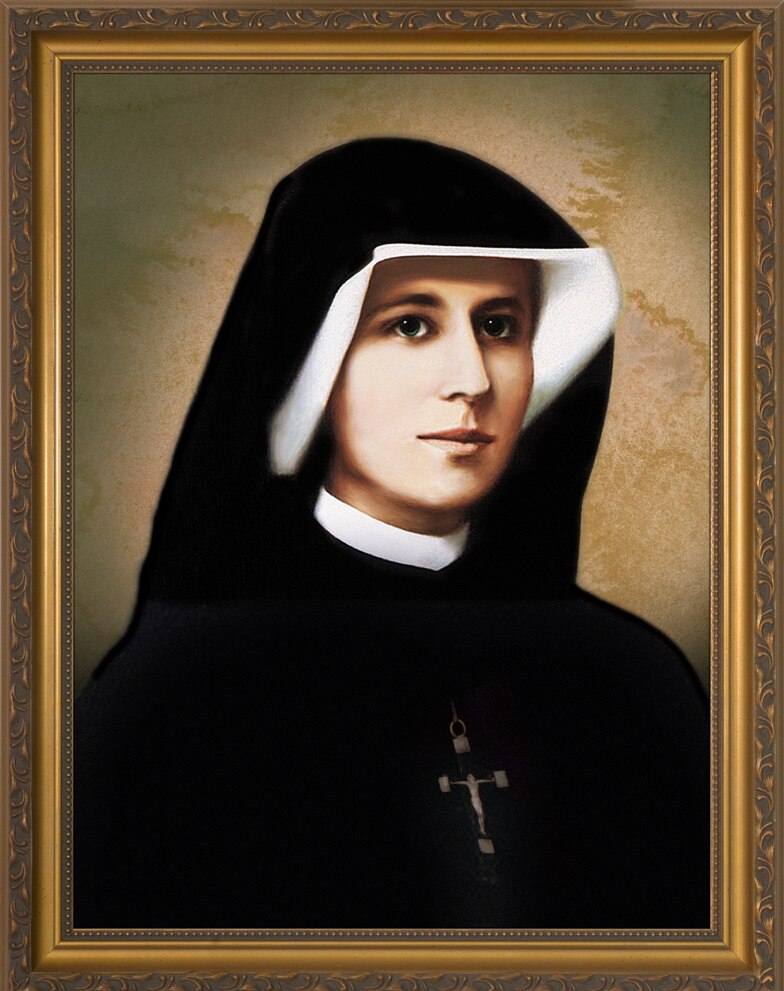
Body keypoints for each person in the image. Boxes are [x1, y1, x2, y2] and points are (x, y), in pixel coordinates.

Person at [74, 138, 709, 931]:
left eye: (500, 325)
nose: (471, 380)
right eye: (410, 324)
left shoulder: (630, 679)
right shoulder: (170, 699)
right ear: (316, 358)